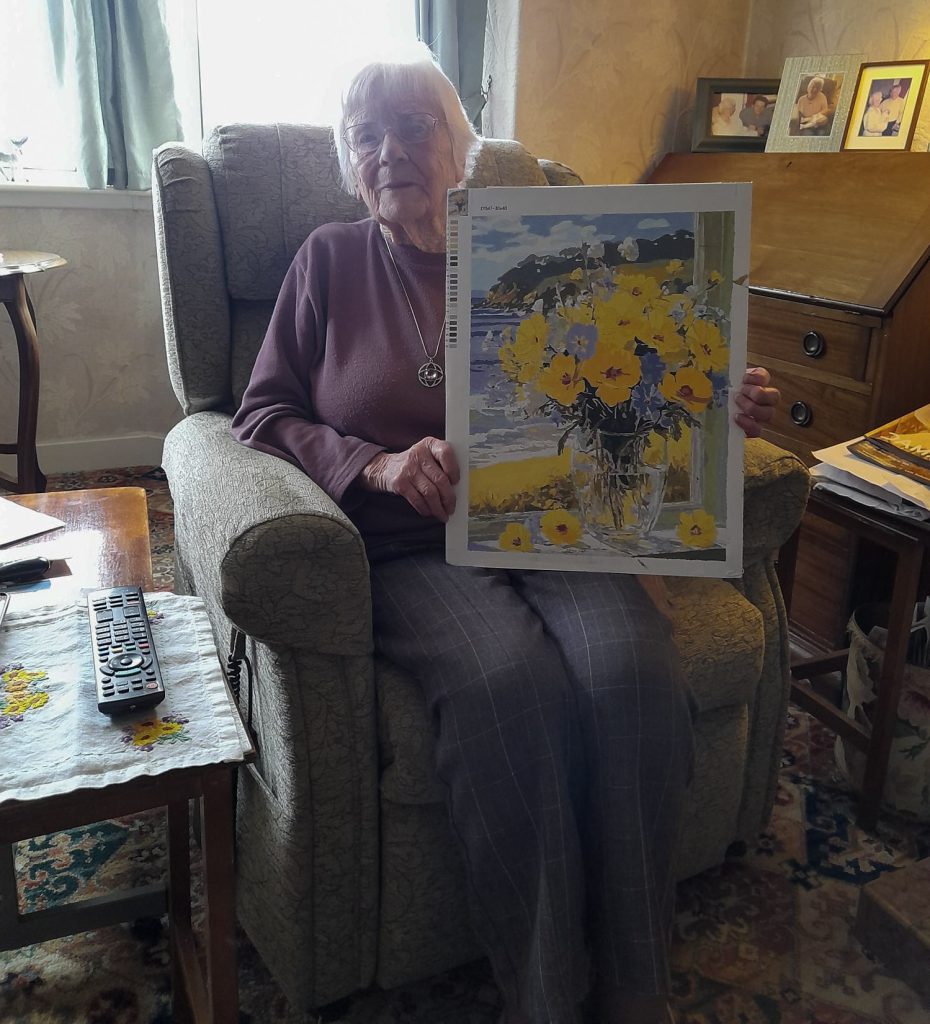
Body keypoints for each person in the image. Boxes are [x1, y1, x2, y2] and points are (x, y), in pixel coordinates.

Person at [232, 43, 780, 1024]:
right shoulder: (327, 260)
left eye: (414, 126)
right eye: (366, 134)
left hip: (557, 521)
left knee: (631, 670)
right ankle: (545, 994)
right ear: (348, 160)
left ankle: (636, 983)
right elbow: (261, 416)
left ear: (462, 143)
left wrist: (711, 402)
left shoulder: (556, 250)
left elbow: (643, 381)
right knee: (505, 686)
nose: (390, 150)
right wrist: (378, 465)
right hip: (408, 543)